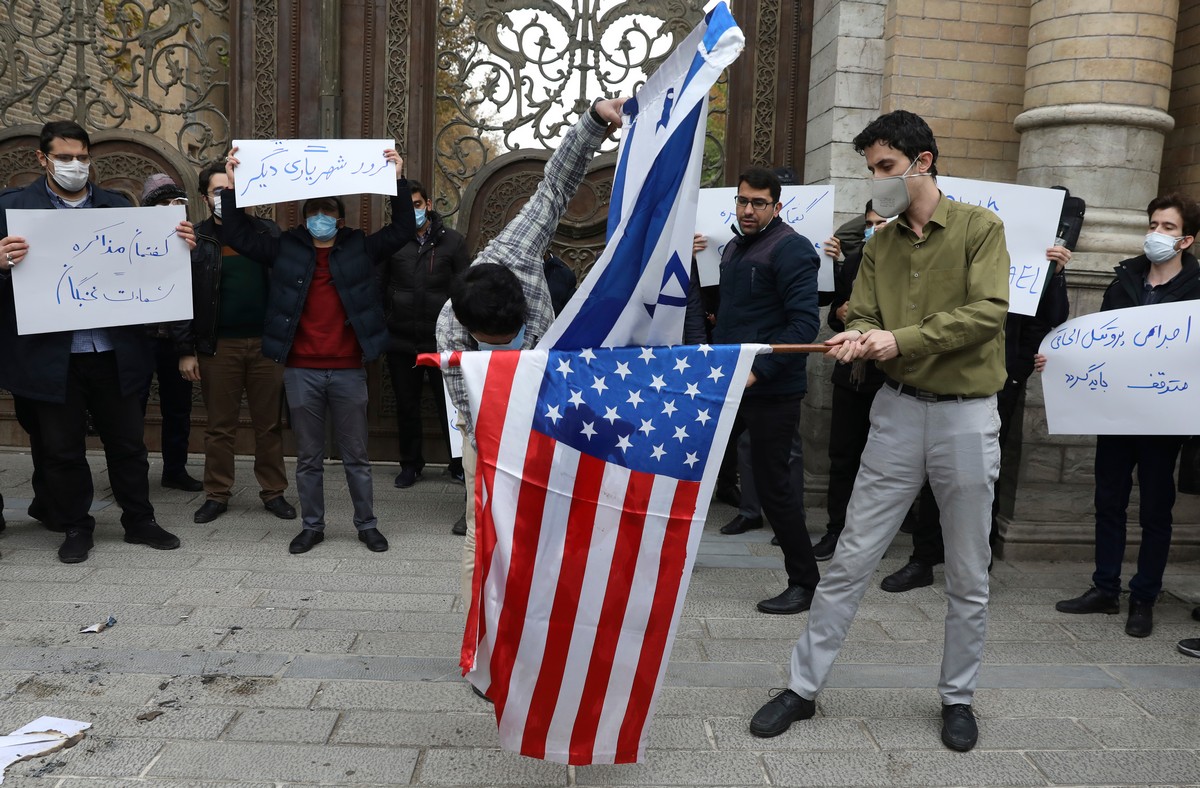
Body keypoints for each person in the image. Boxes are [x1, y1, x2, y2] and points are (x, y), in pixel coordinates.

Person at [750, 110, 1009, 752]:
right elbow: (860, 311)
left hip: (966, 414)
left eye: (886, 167)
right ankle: (801, 689)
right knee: (851, 557)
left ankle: (958, 697)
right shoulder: (881, 243)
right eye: (871, 169)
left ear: (923, 162)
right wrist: (851, 337)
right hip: (895, 411)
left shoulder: (981, 227)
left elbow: (987, 312)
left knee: (969, 571)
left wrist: (899, 338)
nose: (878, 180)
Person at [437, 96, 626, 605]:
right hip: (489, 427)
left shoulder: (516, 253)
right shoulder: (451, 333)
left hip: (553, 410)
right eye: (496, 345)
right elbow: (469, 410)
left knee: (557, 524)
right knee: (487, 529)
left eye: (516, 337)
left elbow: (555, 185)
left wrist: (593, 121)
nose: (511, 346)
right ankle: (483, 632)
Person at [0, 120, 191, 563]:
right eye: (64, 157)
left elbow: (151, 270)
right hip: (52, 358)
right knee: (62, 450)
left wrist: (181, 247)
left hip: (113, 352)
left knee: (128, 444)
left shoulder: (116, 206)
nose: (75, 165)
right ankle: (75, 525)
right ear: (42, 159)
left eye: (82, 158)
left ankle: (139, 520)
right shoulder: (13, 210)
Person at [220, 145, 414, 554]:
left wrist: (397, 179)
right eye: (312, 212)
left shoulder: (359, 247)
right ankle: (312, 526)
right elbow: (236, 234)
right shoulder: (285, 248)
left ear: (339, 219)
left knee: (356, 456)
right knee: (308, 457)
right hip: (300, 369)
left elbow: (400, 233)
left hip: (347, 370)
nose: (319, 219)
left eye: (327, 212)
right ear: (304, 217)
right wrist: (234, 188)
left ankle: (367, 525)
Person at [880, 241, 1072, 591]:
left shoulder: (1031, 262)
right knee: (932, 469)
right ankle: (923, 558)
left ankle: (973, 568)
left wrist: (1056, 276)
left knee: (983, 473)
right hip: (943, 373)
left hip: (997, 381)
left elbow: (1049, 319)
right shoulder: (963, 251)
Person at [1054, 193, 1200, 638]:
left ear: (1186, 240)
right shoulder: (1123, 282)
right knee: (1108, 502)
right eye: (1153, 224)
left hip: (1163, 421)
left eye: (1168, 228)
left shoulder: (1197, 290)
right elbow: (1097, 340)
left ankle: (1144, 597)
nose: (1156, 233)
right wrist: (1059, 358)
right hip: (1115, 414)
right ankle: (1105, 588)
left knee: (1156, 509)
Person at [711, 166, 821, 615]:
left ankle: (804, 581)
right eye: (742, 201)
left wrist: (758, 372)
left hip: (770, 389)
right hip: (728, 378)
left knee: (775, 487)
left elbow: (804, 325)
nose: (748, 209)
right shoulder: (735, 246)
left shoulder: (792, 249)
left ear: (777, 206)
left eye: (758, 203)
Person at [175, 161, 295, 525]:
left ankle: (273, 492)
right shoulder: (195, 239)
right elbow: (180, 296)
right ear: (204, 197)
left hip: (266, 346)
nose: (226, 196)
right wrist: (185, 350)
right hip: (218, 347)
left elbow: (288, 283)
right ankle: (217, 494)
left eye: (233, 189)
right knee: (219, 427)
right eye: (218, 190)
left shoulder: (267, 232)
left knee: (269, 425)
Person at [808, 203, 891, 561]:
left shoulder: (915, 266)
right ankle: (836, 529)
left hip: (889, 378)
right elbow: (835, 313)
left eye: (880, 224)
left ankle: (874, 538)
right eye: (869, 224)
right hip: (850, 377)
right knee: (842, 456)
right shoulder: (855, 260)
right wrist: (840, 314)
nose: (873, 230)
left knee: (884, 463)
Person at [380, 180, 471, 490]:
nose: (414, 211)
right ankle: (410, 465)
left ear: (428, 205)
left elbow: (464, 289)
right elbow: (379, 286)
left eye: (417, 205)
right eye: (407, 206)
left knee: (451, 405)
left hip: (441, 342)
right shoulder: (393, 241)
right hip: (401, 339)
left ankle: (458, 464)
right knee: (406, 405)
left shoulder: (453, 242)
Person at [138, 173, 202, 493]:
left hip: (175, 342)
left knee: (178, 408)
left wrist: (187, 347)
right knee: (131, 407)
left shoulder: (192, 243)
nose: (171, 208)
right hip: (138, 341)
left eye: (177, 202)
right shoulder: (130, 241)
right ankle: (132, 472)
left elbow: (195, 296)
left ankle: (175, 470)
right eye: (163, 203)